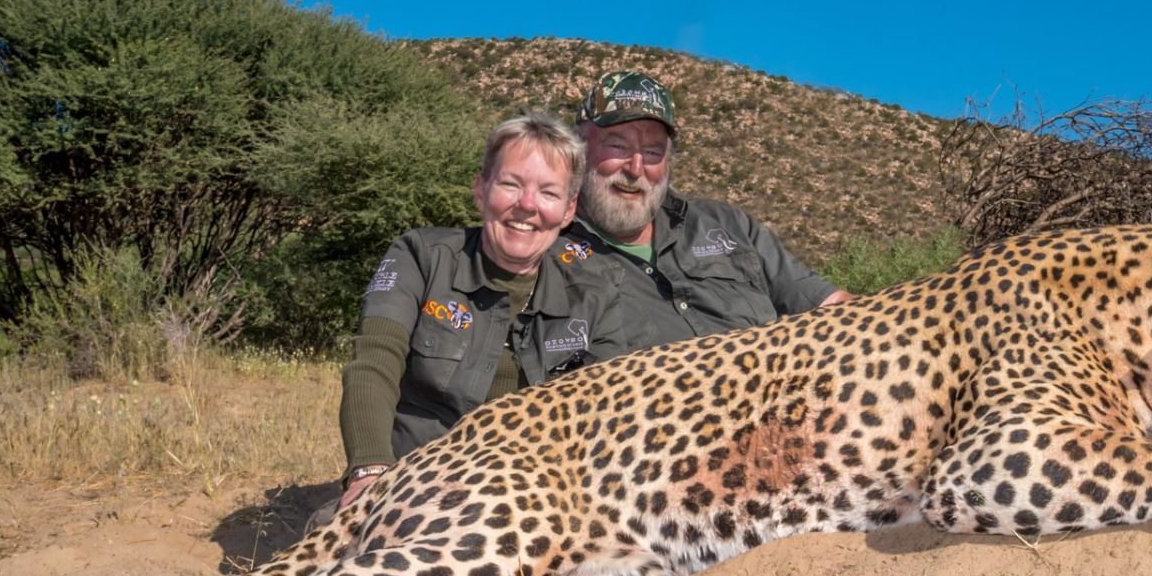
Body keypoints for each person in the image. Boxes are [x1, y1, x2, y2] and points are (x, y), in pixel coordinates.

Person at [326, 113, 633, 515]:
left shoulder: (595, 293)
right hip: (414, 488)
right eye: (511, 184)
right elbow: (374, 360)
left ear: (568, 210)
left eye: (548, 193)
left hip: (535, 501)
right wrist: (370, 473)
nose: (527, 205)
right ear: (480, 190)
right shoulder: (420, 257)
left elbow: (611, 409)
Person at [564, 70, 852, 346]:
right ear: (579, 148)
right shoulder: (551, 252)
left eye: (652, 152)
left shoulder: (728, 224)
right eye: (618, 147)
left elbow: (834, 306)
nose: (635, 169)